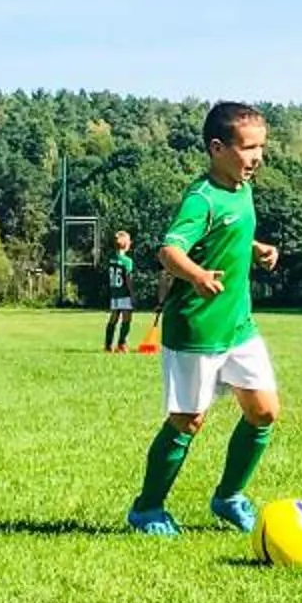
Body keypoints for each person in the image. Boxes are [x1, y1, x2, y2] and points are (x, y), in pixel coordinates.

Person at [125, 102, 284, 539]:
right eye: (249, 148)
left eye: (261, 147)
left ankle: (228, 497)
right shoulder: (201, 199)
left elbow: (233, 230)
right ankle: (147, 509)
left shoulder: (241, 188)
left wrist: (257, 248)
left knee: (264, 411)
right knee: (188, 421)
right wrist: (194, 275)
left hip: (238, 326)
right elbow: (169, 250)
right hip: (197, 329)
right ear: (217, 148)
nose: (257, 158)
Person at [103, 229, 139, 353]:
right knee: (126, 319)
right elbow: (128, 279)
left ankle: (108, 345)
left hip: (114, 293)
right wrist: (132, 294)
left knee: (113, 318)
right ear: (126, 244)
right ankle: (121, 344)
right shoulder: (127, 261)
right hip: (124, 293)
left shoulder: (110, 258)